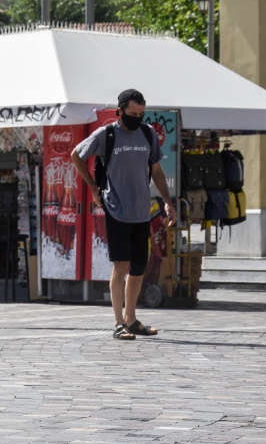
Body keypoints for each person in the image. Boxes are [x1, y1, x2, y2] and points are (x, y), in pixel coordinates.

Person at [71, 89, 176, 341]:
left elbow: (157, 171)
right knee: (120, 266)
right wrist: (94, 188)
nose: (137, 118)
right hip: (116, 210)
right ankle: (118, 323)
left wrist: (168, 202)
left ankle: (131, 319)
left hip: (142, 211)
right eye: (132, 114)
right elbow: (76, 155)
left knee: (139, 267)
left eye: (140, 114)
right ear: (119, 111)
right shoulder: (106, 134)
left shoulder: (148, 134)